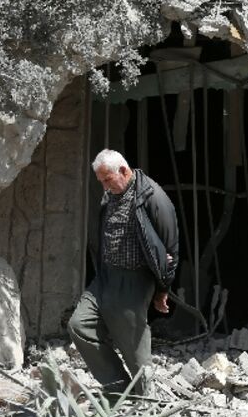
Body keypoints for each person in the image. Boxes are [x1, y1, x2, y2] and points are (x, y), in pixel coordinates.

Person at [68, 149, 178, 396]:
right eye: (102, 182)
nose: (105, 186)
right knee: (79, 325)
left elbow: (170, 248)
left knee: (133, 347)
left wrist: (163, 289)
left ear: (124, 171)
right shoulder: (110, 195)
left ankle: (146, 402)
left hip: (134, 280)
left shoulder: (153, 197)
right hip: (106, 276)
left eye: (108, 179)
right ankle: (118, 388)